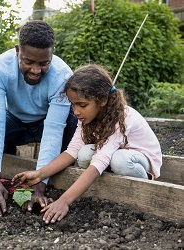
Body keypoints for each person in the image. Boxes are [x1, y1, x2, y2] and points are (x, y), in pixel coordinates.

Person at [11, 63, 162, 224]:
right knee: (83, 153)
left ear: (102, 100)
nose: (76, 111)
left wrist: (64, 201)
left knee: (119, 160)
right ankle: (112, 185)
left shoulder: (121, 117)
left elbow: (100, 161)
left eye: (82, 105)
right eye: (73, 104)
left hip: (141, 160)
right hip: (114, 155)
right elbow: (72, 150)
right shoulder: (86, 119)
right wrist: (40, 174)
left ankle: (146, 184)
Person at [0, 20, 78, 218]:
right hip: (17, 121)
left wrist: (39, 188)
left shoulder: (62, 76)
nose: (36, 70)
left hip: (48, 122)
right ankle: (7, 174)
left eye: (43, 63)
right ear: (17, 51)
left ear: (51, 56)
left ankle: (61, 168)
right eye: (28, 61)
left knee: (75, 121)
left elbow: (53, 130)